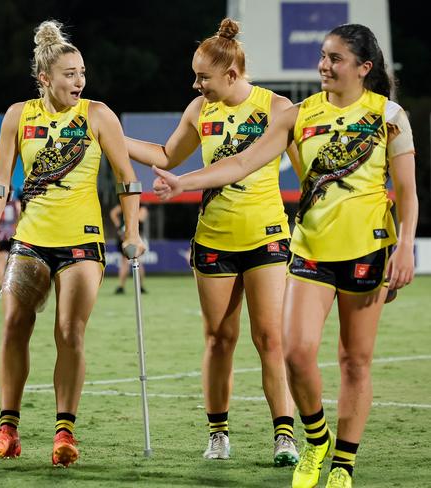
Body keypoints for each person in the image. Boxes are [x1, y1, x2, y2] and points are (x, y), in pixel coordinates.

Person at [153, 23, 417, 488]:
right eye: (323, 55)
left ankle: (342, 465)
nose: (324, 65)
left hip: (368, 251)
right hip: (310, 249)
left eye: (335, 58)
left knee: (355, 362)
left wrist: (405, 248)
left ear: (364, 68)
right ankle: (315, 439)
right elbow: (241, 162)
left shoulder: (389, 114)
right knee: (295, 353)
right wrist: (182, 182)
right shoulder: (297, 114)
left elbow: (408, 193)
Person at [126, 18, 299, 466]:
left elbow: (266, 166)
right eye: (196, 75)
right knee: (219, 338)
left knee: (270, 338)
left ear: (232, 75)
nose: (196, 83)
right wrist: (112, 135)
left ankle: (284, 436)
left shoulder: (278, 108)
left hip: (267, 237)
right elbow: (166, 156)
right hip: (214, 240)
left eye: (203, 77)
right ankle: (218, 433)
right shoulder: (199, 110)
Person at [0, 20, 145, 467]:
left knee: (69, 331)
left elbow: (128, 180)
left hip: (83, 243)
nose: (79, 81)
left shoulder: (97, 115)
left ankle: (64, 431)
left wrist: (132, 231)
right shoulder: (18, 115)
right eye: (69, 74)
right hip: (30, 240)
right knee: (13, 323)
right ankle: (7, 429)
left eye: (82, 72)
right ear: (45, 78)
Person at [110, 203, 148, 294]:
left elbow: (113, 213)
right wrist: (119, 227)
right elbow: (113, 213)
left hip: (131, 235)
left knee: (134, 261)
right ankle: (123, 286)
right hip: (129, 236)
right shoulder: (135, 205)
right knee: (128, 262)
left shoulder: (129, 204)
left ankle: (137, 286)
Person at [0, 191, 20, 298]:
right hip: (11, 235)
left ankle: (1, 290)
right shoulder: (15, 203)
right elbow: (19, 216)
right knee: (13, 263)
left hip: (0, 235)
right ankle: (11, 289)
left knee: (1, 264)